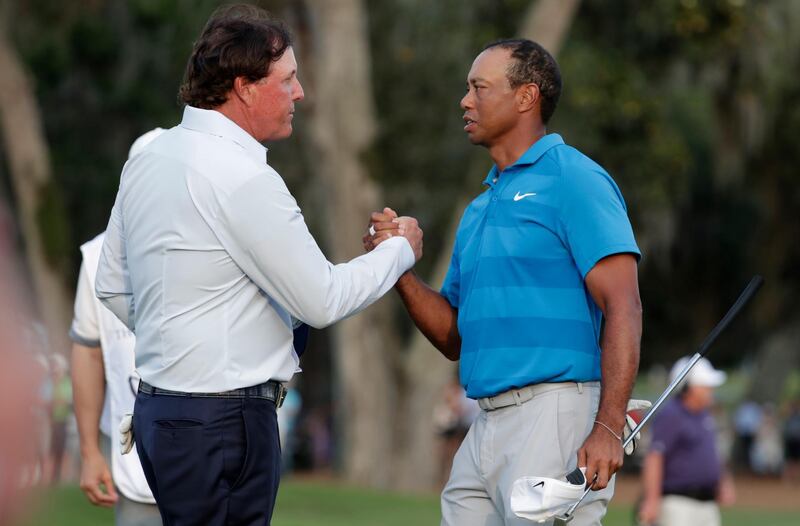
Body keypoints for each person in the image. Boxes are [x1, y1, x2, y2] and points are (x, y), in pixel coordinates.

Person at [94, 5, 422, 525]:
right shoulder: (242, 177)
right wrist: (399, 250)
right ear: (245, 86)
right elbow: (322, 299)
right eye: (288, 78)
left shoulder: (149, 158)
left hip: (162, 413)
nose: (300, 93)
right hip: (221, 420)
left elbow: (110, 286)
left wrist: (181, 347)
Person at [366, 39, 641, 525]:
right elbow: (455, 337)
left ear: (526, 97)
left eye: (479, 87)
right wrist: (398, 270)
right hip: (485, 421)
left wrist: (608, 426)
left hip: (554, 414)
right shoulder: (479, 208)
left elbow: (624, 305)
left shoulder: (574, 179)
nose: (465, 101)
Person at [70, 130, 165, 524]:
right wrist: (90, 451)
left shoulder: (218, 246)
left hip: (215, 456)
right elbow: (88, 351)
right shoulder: (97, 257)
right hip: (134, 460)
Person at [638, 357, 735, 526]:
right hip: (678, 503)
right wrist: (651, 500)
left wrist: (723, 482)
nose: (711, 389)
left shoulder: (705, 414)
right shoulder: (671, 415)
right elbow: (655, 457)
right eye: (705, 385)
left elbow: (712, 454)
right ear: (687, 387)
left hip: (707, 502)